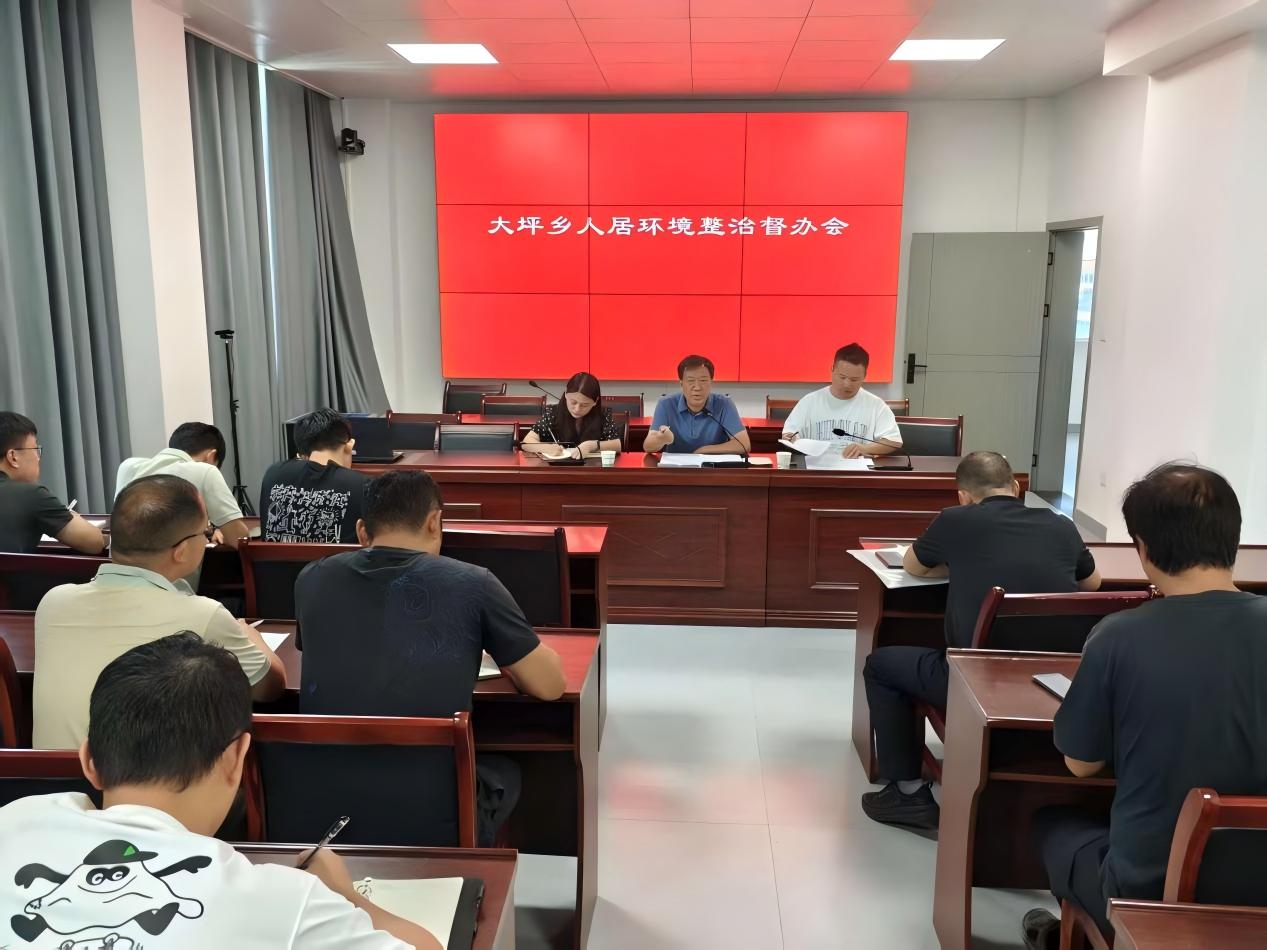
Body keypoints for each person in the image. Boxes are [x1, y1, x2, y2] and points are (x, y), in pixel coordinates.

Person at [0, 633, 441, 949]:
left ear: (89, 761)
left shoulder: (14, 820)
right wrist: (344, 895)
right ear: (236, 758)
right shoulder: (279, 902)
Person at [1021, 464, 1267, 950]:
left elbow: (1081, 764)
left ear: (1143, 548)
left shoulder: (1118, 637)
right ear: (1235, 539)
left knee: (1055, 825)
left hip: (1152, 893)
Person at [294, 470, 567, 846]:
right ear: (435, 522)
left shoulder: (311, 578)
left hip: (321, 804)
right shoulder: (474, 584)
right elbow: (550, 686)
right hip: (432, 811)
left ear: (361, 531)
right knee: (507, 774)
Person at [861, 452, 1100, 829]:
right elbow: (1092, 583)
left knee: (881, 666)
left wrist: (957, 563)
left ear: (964, 496)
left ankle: (906, 793)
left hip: (976, 681)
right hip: (1054, 681)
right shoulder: (1061, 524)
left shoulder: (955, 519)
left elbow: (912, 565)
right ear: (1016, 487)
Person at [33, 474, 284, 749]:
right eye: (205, 532)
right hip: (140, 776)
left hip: (48, 776)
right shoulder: (203, 616)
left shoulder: (53, 603)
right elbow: (269, 689)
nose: (207, 539)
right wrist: (254, 638)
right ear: (182, 551)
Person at [115, 422, 250, 548]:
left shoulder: (128, 467)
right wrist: (226, 533)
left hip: (118, 564)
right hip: (171, 565)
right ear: (211, 456)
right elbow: (239, 540)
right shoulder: (205, 471)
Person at [0, 411, 105, 555]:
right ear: (13, 457)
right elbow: (94, 543)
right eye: (35, 449)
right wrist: (66, 513)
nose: (38, 458)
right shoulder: (32, 496)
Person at [260, 408, 367, 544]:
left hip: (274, 559)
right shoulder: (361, 485)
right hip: (338, 559)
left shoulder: (273, 474)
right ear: (349, 446)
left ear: (302, 451)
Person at [781, 343, 903, 458]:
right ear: (832, 369)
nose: (847, 384)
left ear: (865, 376)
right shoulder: (809, 402)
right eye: (842, 377)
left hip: (857, 469)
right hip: (816, 468)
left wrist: (864, 448)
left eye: (854, 379)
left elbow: (893, 441)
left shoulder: (876, 405)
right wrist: (790, 438)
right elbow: (789, 435)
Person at [643, 355, 751, 455]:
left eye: (703, 380)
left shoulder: (724, 403)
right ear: (681, 383)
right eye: (690, 381)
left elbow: (744, 444)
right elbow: (647, 447)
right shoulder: (666, 404)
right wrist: (661, 439)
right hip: (675, 468)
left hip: (711, 467)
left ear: (711, 382)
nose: (697, 387)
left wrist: (703, 450)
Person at [520, 372, 622, 458]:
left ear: (595, 401)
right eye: (573, 402)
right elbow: (526, 443)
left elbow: (617, 445)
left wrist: (592, 445)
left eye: (584, 405)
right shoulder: (553, 413)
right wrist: (546, 448)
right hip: (558, 470)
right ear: (565, 394)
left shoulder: (603, 415)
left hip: (593, 470)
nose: (577, 409)